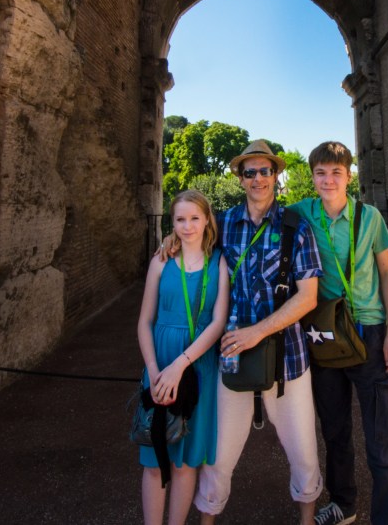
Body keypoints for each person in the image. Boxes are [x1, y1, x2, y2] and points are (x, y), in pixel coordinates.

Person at [194, 140, 324, 525]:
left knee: (304, 453)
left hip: (287, 359)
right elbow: (191, 247)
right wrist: (170, 242)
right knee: (218, 456)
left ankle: (306, 519)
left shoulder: (295, 227)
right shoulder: (222, 224)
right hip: (233, 355)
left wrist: (258, 332)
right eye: (249, 172)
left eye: (265, 171)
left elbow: (308, 297)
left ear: (275, 174)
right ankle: (207, 519)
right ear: (240, 178)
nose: (258, 179)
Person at [288, 141, 388, 525]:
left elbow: (387, 272)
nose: (328, 180)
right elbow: (258, 215)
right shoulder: (301, 214)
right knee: (334, 430)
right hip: (325, 334)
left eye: (336, 172)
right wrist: (182, 238)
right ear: (312, 177)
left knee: (380, 437)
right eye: (320, 173)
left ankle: (386, 518)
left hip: (369, 331)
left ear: (349, 175)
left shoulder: (370, 217)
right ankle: (344, 505)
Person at [137, 189, 230, 525]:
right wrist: (154, 371)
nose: (187, 226)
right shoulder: (160, 262)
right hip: (159, 363)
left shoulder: (219, 262)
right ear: (172, 222)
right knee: (153, 458)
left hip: (197, 365)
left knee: (185, 462)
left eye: (194, 218)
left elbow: (218, 322)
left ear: (207, 220)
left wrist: (180, 365)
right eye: (180, 219)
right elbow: (145, 322)